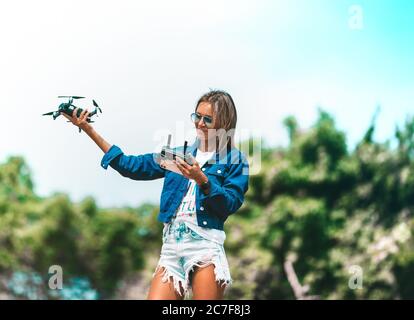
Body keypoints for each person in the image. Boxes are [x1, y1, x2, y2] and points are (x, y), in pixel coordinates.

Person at [63, 90, 249, 300]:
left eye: (208, 119)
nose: (200, 123)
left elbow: (230, 204)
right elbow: (130, 165)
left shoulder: (235, 160)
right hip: (171, 249)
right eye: (197, 116)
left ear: (224, 123)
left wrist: (202, 180)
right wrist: (88, 129)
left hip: (205, 246)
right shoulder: (177, 155)